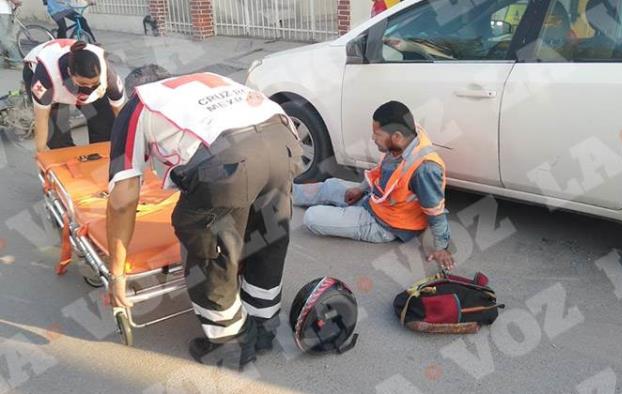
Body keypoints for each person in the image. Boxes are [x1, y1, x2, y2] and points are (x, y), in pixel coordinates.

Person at [107, 66, 303, 369]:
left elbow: (123, 200)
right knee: (267, 232)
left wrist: (117, 274)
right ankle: (263, 326)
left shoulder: (139, 104)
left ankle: (230, 344)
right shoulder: (207, 81)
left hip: (228, 158)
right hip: (283, 141)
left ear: (135, 91)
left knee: (210, 243)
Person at [294, 101, 455, 270]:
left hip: (385, 224)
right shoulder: (406, 137)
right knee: (330, 186)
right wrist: (361, 188)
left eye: (377, 134)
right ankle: (285, 196)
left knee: (312, 217)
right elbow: (380, 171)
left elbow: (436, 212)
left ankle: (341, 212)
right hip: (374, 199)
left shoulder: (425, 169)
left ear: (397, 137)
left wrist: (442, 248)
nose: (373, 138)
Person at [23, 39, 124, 151]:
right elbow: (42, 119)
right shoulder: (45, 79)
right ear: (70, 73)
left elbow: (120, 113)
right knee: (57, 139)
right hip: (52, 81)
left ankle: (99, 161)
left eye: (94, 83)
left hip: (76, 78)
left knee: (105, 127)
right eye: (84, 83)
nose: (89, 87)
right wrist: (41, 153)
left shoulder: (108, 75)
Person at [0, 0, 22, 69]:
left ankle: (17, 61)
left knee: (4, 38)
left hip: (2, 11)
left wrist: (15, 1)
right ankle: (6, 60)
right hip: (3, 11)